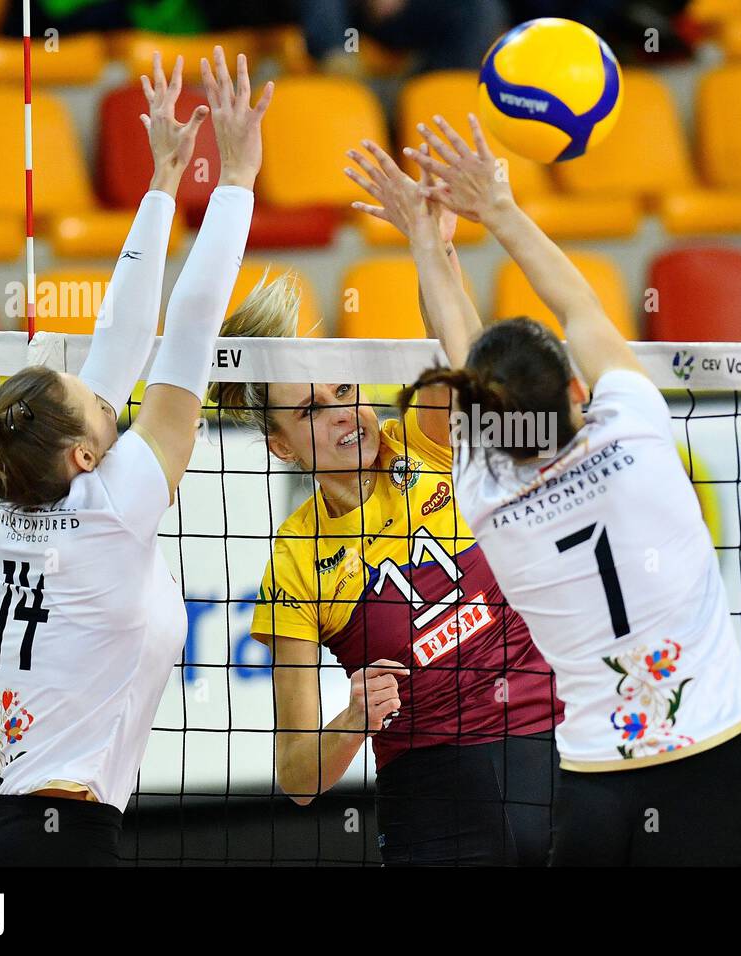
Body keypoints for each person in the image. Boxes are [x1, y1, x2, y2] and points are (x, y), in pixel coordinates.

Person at [393, 114, 741, 866]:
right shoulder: (632, 433)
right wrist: (498, 209)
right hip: (713, 775)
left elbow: (455, 336)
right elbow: (582, 309)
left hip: (597, 791)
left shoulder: (485, 495)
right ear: (577, 389)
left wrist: (424, 240)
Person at [0, 48, 271, 866]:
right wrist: (237, 179)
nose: (102, 386)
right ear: (85, 452)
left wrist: (161, 181)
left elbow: (120, 336)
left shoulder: (33, 493)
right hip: (55, 846)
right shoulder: (114, 506)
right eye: (92, 398)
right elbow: (185, 334)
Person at [212, 140, 562, 866]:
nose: (344, 414)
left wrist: (427, 243)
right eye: (311, 411)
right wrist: (351, 719)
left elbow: (472, 362)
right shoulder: (296, 564)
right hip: (433, 800)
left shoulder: (423, 443)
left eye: (344, 390)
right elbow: (297, 778)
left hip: (553, 748)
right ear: (281, 447)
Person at [297, 0, 508, 77]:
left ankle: (438, 89)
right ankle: (340, 69)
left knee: (479, 7)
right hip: (348, 26)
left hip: (404, 15)